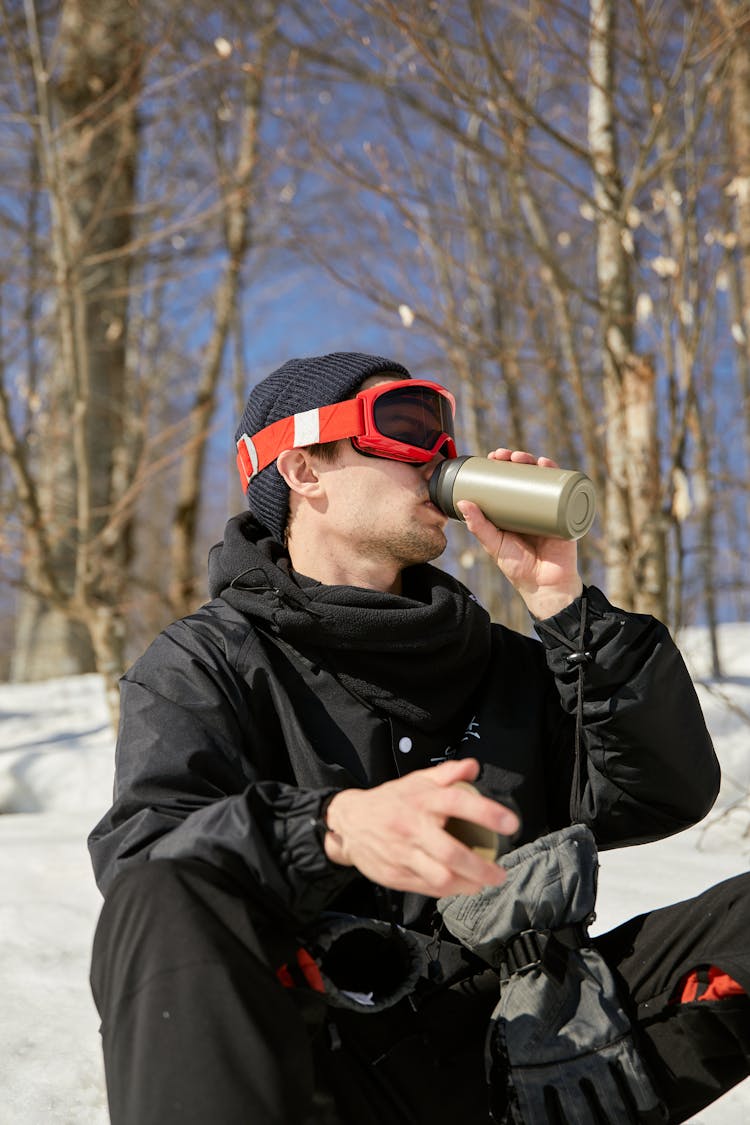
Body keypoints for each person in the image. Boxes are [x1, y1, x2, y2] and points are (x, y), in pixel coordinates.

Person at [88, 352, 749, 1125]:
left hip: (537, 1047)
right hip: (327, 1067)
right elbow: (151, 861)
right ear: (303, 469)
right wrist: (326, 830)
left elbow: (660, 791)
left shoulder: (505, 665)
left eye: (442, 432)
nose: (439, 454)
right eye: (403, 427)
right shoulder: (205, 664)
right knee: (164, 893)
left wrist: (566, 610)